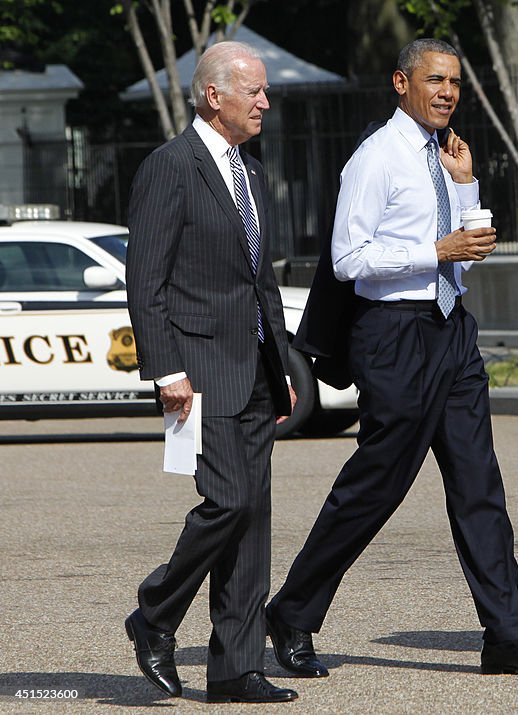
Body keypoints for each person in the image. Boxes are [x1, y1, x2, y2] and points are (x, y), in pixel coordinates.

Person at [264, 38, 518, 677]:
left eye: (455, 81)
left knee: (479, 486)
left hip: (452, 331)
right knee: (376, 487)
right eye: (435, 79)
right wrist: (436, 251)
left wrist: (466, 187)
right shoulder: (374, 159)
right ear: (401, 83)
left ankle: (509, 638)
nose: (448, 92)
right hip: (394, 334)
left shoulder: (445, 155)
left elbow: (468, 243)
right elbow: (349, 261)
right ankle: (292, 613)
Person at [124, 41, 299, 704]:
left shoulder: (249, 171)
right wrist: (165, 371)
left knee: (252, 516)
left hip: (253, 370)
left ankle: (235, 667)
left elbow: (260, 283)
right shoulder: (171, 167)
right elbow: (146, 282)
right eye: (252, 91)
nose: (264, 102)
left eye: (263, 91)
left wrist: (278, 364)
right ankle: (154, 613)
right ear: (212, 96)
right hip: (192, 373)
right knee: (226, 501)